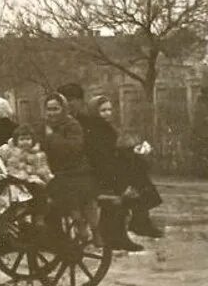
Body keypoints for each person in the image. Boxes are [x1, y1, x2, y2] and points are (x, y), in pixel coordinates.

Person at [60, 82, 163, 239]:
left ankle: (137, 221)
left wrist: (128, 152)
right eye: (65, 102)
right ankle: (138, 221)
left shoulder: (87, 120)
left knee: (135, 167)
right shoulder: (73, 122)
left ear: (79, 101)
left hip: (98, 164)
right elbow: (95, 151)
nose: (68, 106)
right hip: (88, 168)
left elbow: (104, 148)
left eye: (70, 101)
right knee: (130, 176)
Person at [85, 95, 163, 242]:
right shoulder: (94, 130)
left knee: (138, 170)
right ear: (95, 112)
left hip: (110, 169)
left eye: (109, 109)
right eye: (103, 110)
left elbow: (115, 151)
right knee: (136, 177)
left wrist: (133, 150)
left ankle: (138, 223)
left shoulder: (107, 128)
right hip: (101, 172)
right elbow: (102, 157)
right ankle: (139, 222)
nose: (108, 113)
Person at [37, 93, 100, 244]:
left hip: (75, 169)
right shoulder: (42, 127)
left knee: (81, 192)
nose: (52, 113)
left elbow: (74, 148)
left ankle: (94, 230)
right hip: (53, 170)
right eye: (49, 109)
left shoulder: (72, 125)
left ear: (63, 109)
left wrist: (52, 137)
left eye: (56, 109)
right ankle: (67, 228)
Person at [0, 124, 54, 229]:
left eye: (28, 139)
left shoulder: (38, 154)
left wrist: (43, 177)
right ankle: (18, 220)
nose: (25, 142)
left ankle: (39, 218)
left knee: (40, 193)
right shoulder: (9, 151)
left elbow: (44, 170)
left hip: (32, 182)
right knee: (10, 196)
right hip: (14, 181)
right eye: (22, 139)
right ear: (16, 141)